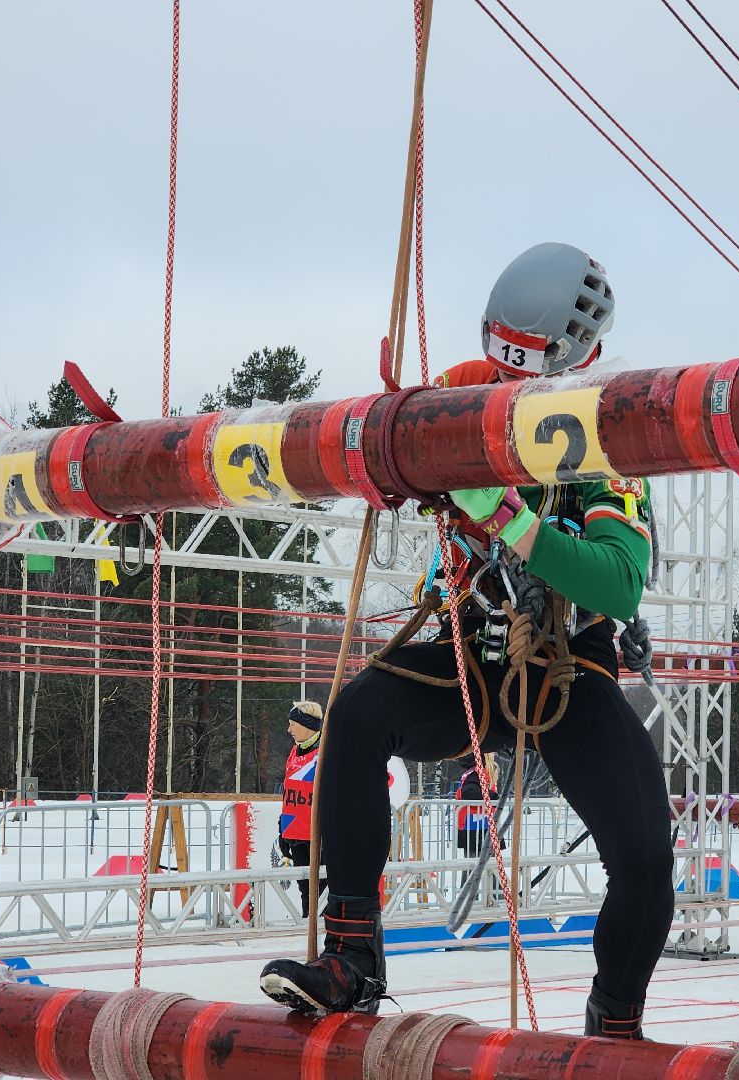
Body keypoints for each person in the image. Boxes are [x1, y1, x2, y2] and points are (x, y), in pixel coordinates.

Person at [260, 242, 673, 1040]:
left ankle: (615, 1015)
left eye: (525, 372)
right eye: (501, 363)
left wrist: (511, 522)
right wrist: (390, 445)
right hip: (467, 650)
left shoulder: (600, 436)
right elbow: (391, 436)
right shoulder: (461, 394)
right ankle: (353, 958)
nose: (508, 387)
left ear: (569, 359)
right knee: (355, 715)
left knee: (648, 855)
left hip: (565, 667)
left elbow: (619, 583)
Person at [278, 701, 328, 917]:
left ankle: (325, 935)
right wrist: (282, 828)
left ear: (307, 725)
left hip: (319, 834)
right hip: (296, 833)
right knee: (305, 889)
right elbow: (290, 792)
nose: (289, 730)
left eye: (292, 724)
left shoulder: (325, 752)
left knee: (323, 890)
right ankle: (307, 930)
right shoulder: (294, 752)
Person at [455, 753, 501, 857]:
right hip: (476, 826)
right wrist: (493, 796)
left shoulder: (476, 772)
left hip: (480, 824)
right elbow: (469, 793)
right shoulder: (477, 773)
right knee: (476, 864)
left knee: (482, 864)